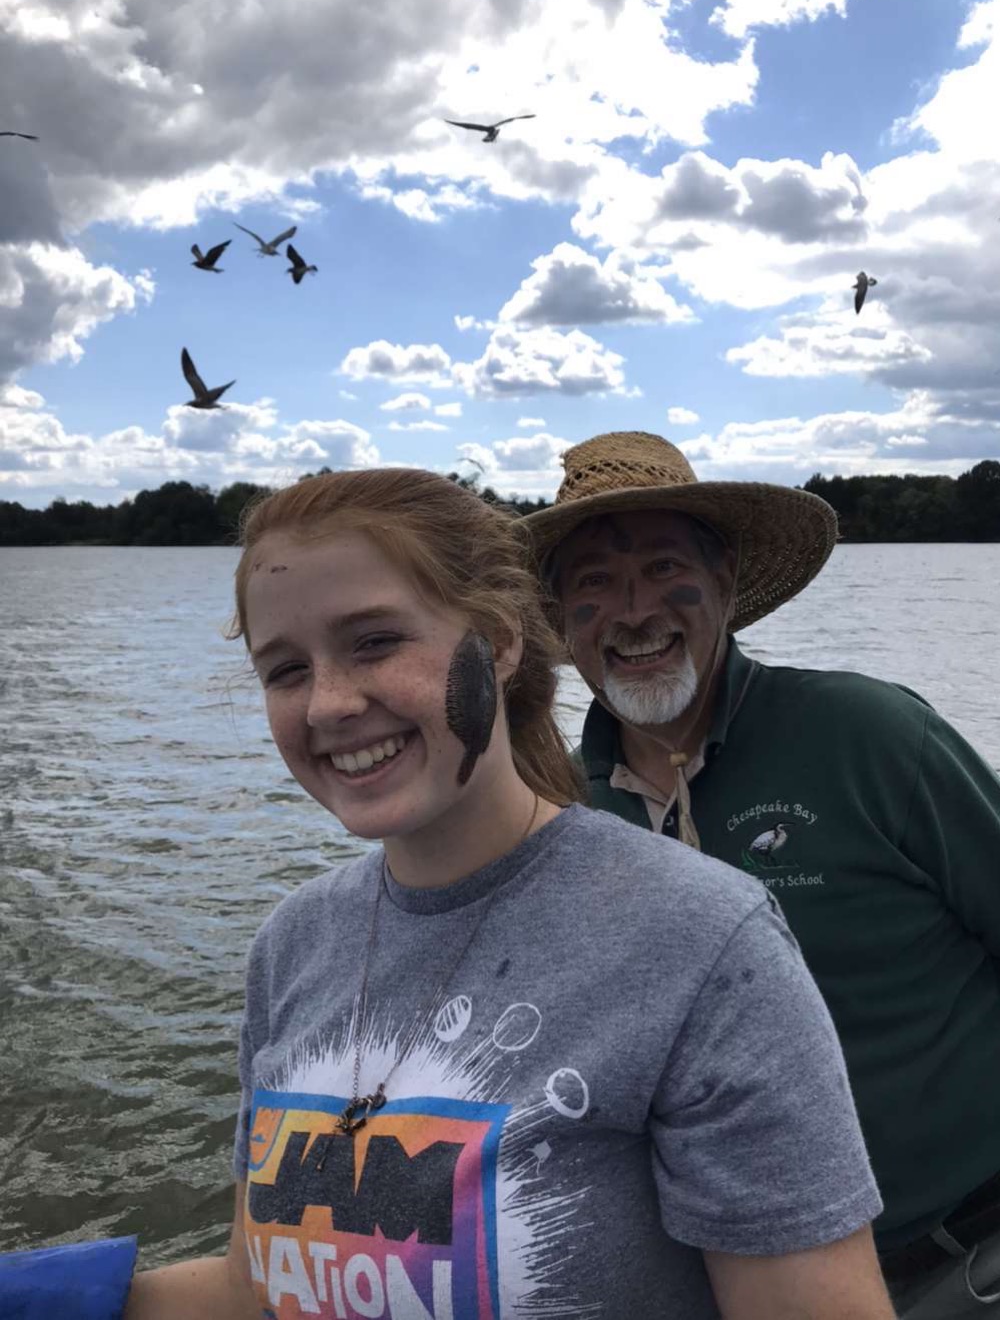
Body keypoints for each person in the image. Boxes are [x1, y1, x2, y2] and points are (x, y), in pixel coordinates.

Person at [75, 465, 899, 1320]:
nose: (327, 703)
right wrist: (64, 1295)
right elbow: (262, 1285)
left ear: (503, 641)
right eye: (284, 670)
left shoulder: (702, 940)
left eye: (376, 641)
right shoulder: (292, 945)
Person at [522, 429, 1000, 1319]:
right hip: (742, 1287)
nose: (633, 611)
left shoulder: (870, 736)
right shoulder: (554, 809)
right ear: (560, 620)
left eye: (666, 566)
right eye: (594, 582)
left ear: (728, 583)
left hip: (971, 1254)